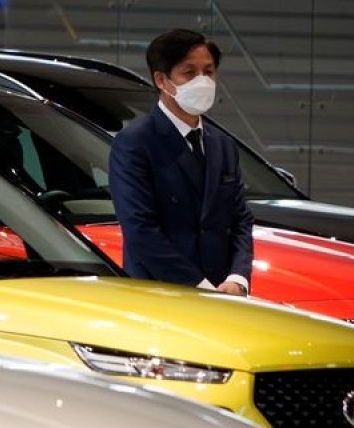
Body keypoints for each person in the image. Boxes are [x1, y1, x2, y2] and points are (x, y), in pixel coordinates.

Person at [109, 28, 254, 296]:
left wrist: (237, 278)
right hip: (159, 294)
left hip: (223, 293)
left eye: (208, 72)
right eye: (189, 73)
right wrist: (198, 288)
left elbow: (240, 220)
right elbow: (140, 229)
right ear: (162, 80)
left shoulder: (223, 145)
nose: (202, 81)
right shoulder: (135, 142)